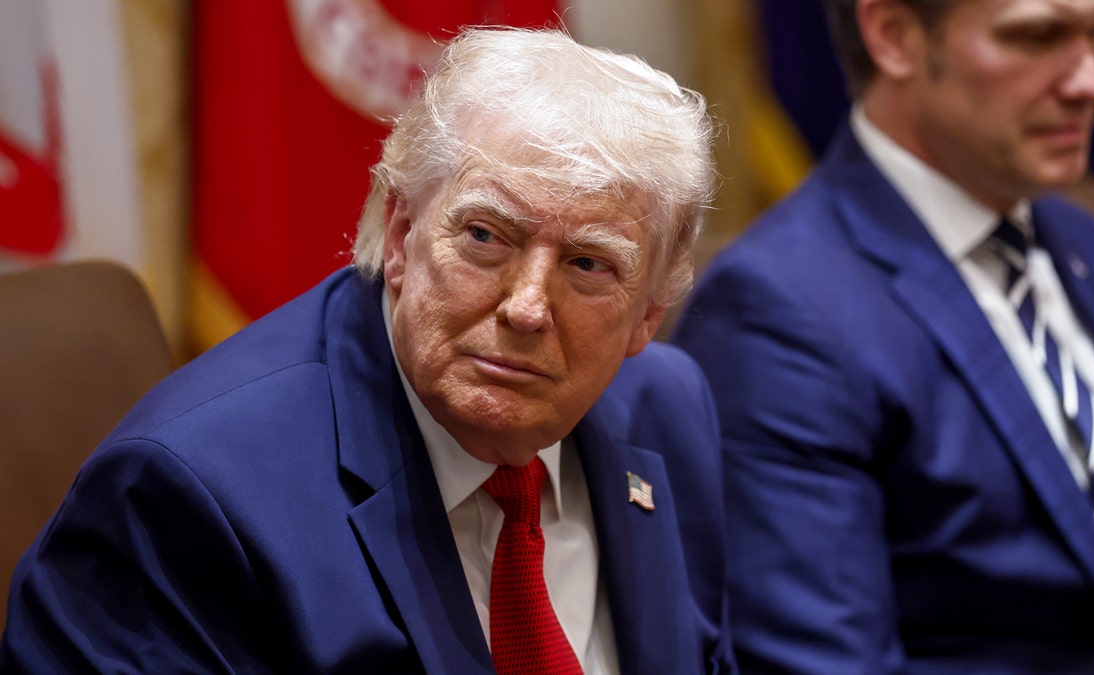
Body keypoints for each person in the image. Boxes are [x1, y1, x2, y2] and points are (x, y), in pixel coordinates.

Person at [2, 27, 732, 673]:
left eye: (588, 265)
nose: (528, 306)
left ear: (649, 314)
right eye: (484, 237)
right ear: (402, 233)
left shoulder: (666, 409)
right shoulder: (191, 498)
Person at [674, 0, 1094, 672]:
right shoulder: (778, 311)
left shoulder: (1087, 242)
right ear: (894, 36)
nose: (1091, 81)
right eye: (1037, 36)